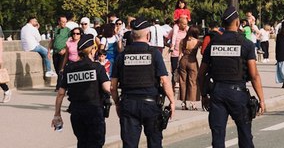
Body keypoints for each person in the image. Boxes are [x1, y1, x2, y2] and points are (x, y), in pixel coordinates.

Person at [200, 8, 266, 148]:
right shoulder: (246, 44)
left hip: (217, 93)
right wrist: (262, 99)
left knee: (218, 136)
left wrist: (203, 95)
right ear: (237, 23)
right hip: (238, 94)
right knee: (245, 135)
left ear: (223, 24)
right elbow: (254, 75)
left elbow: (201, 73)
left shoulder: (213, 43)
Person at [111, 18, 176, 148]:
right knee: (155, 143)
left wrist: (117, 103)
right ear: (148, 35)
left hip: (128, 103)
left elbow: (113, 86)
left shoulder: (122, 56)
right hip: (151, 104)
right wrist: (172, 102)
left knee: (129, 144)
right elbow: (164, 80)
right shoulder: (154, 54)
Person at [53, 35, 112, 147]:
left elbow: (61, 93)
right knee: (95, 143)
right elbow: (107, 87)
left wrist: (57, 114)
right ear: (93, 50)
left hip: (77, 112)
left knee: (82, 142)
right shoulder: (97, 67)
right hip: (94, 110)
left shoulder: (69, 68)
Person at [175, 27, 202, 110]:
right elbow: (202, 51)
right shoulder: (197, 42)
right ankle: (192, 103)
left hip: (183, 60)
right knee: (192, 82)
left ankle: (183, 103)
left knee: (182, 81)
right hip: (192, 61)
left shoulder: (182, 41)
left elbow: (180, 54)